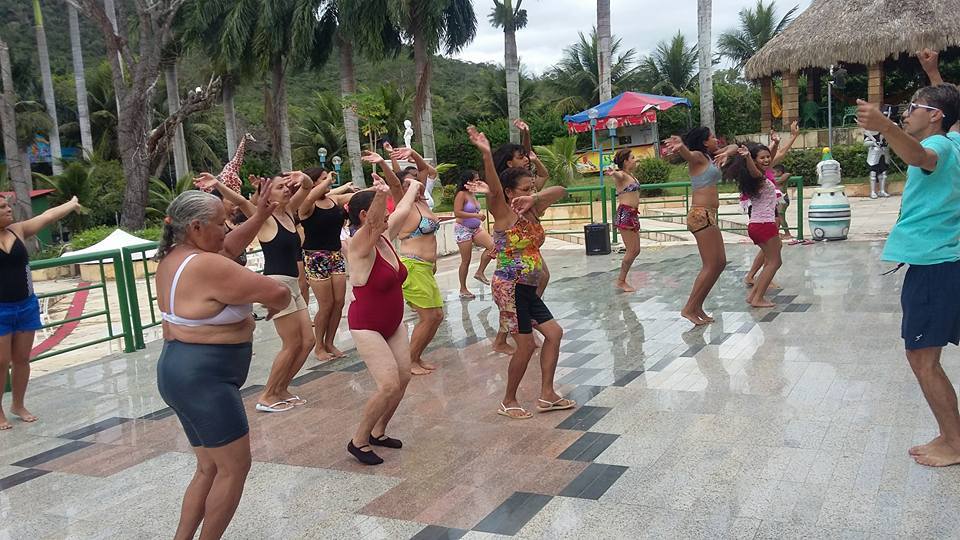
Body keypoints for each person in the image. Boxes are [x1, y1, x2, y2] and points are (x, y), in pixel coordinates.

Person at [154, 189, 289, 539]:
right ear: (196, 227)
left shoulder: (175, 257)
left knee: (209, 468)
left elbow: (227, 248)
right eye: (220, 222)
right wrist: (270, 300)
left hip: (180, 373)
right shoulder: (207, 265)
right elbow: (279, 293)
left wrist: (258, 217)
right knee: (234, 468)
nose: (227, 228)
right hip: (205, 381)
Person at [857, 84, 960, 467]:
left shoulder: (941, 146)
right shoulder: (956, 140)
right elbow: (952, 110)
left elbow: (920, 156)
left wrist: (884, 126)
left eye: (913, 106)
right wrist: (934, 76)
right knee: (925, 356)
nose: (906, 113)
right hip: (943, 262)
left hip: (935, 266)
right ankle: (952, 435)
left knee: (922, 358)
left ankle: (955, 443)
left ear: (935, 115)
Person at [469, 125, 576, 420]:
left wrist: (534, 199)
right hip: (509, 287)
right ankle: (508, 400)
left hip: (527, 288)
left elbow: (561, 190)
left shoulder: (532, 210)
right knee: (526, 346)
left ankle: (547, 394)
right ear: (509, 192)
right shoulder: (504, 213)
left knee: (554, 334)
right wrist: (487, 155)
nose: (531, 193)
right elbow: (493, 189)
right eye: (525, 190)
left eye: (532, 189)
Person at [195, 171, 316, 413]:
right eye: (279, 187)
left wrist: (301, 176)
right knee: (292, 343)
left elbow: (307, 187)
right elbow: (241, 202)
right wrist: (218, 183)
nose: (286, 190)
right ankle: (268, 394)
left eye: (286, 186)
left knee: (308, 342)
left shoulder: (288, 212)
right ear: (267, 195)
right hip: (277, 285)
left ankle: (281, 388)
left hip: (293, 284)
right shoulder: (265, 218)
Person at [345, 175, 421, 465]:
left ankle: (378, 431)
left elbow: (402, 208)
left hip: (393, 323)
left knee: (403, 378)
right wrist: (380, 192)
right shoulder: (359, 245)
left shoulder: (385, 238)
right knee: (388, 384)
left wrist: (415, 184)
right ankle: (358, 440)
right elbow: (375, 223)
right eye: (382, 212)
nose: (389, 216)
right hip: (366, 324)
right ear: (365, 215)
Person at [0, 195, 81, 430]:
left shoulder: (17, 230)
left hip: (26, 305)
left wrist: (71, 204)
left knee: (22, 359)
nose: (8, 209)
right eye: (2, 207)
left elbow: (48, 216)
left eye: (8, 205)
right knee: (1, 361)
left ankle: (18, 405)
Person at [363, 148, 444, 376]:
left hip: (426, 267)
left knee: (437, 316)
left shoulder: (423, 202)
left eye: (416, 181)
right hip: (412, 266)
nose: (415, 184)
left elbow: (425, 171)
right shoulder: (404, 206)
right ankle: (409, 361)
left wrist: (414, 154)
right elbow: (395, 185)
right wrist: (383, 162)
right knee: (428, 317)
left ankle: (416, 356)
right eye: (409, 183)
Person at [663, 128, 737, 325]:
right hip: (700, 214)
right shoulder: (698, 157)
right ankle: (689, 308)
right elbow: (688, 155)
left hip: (708, 215)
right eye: (712, 137)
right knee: (711, 265)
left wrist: (727, 153)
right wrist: (681, 147)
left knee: (720, 263)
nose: (716, 139)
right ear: (704, 142)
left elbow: (734, 147)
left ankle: (697, 306)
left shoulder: (711, 156)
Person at [298, 168, 355, 361]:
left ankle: (330, 342)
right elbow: (309, 196)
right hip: (316, 257)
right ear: (313, 183)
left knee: (338, 302)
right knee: (326, 304)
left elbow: (353, 197)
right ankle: (319, 346)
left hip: (335, 254)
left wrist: (377, 188)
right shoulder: (306, 205)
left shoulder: (333, 200)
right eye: (322, 179)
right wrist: (327, 181)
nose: (328, 181)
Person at [733, 145, 783, 308]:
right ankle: (758, 298)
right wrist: (748, 156)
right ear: (754, 161)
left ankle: (753, 295)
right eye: (762, 158)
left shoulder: (759, 175)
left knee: (772, 260)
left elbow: (767, 162)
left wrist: (775, 144)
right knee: (774, 262)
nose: (767, 159)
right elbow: (755, 172)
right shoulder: (756, 176)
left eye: (768, 157)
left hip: (758, 224)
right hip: (764, 225)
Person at [453, 169, 495, 299]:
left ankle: (480, 272)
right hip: (463, 229)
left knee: (493, 247)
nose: (478, 182)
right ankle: (463, 288)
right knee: (466, 260)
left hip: (476, 228)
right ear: (468, 181)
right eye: (476, 180)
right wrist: (476, 215)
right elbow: (457, 212)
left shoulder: (473, 194)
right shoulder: (462, 194)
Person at [609, 149, 642, 293]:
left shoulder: (631, 175)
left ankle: (621, 280)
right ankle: (621, 281)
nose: (635, 160)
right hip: (626, 214)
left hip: (633, 214)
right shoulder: (621, 176)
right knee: (632, 250)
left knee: (636, 250)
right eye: (632, 158)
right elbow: (618, 175)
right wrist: (613, 173)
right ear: (626, 161)